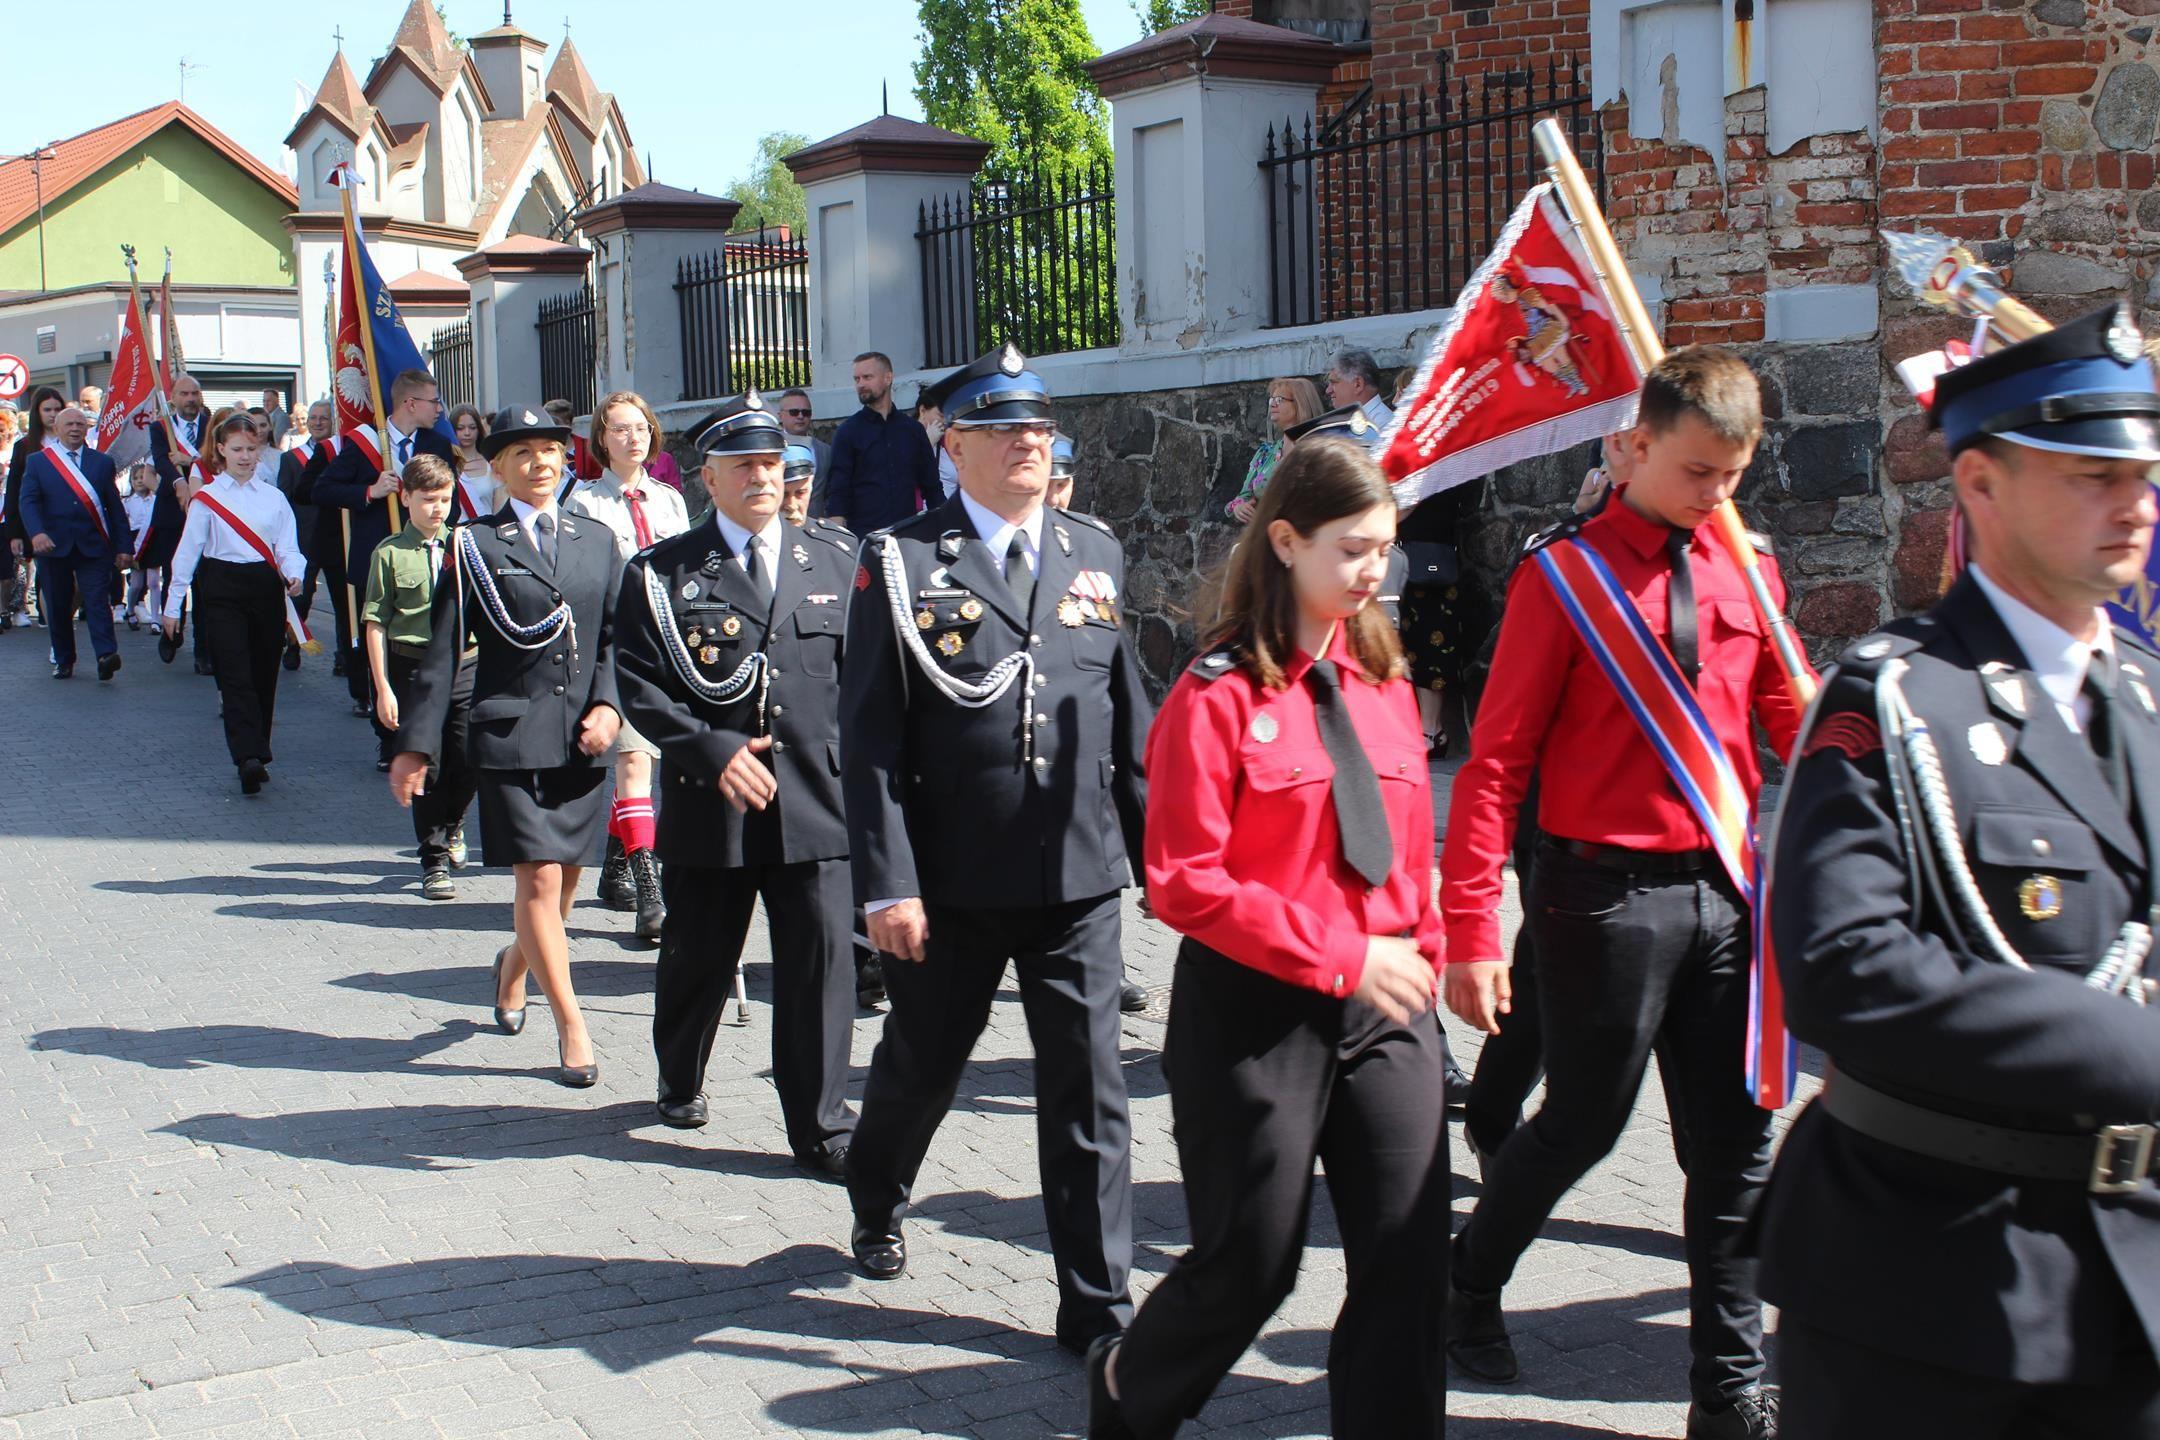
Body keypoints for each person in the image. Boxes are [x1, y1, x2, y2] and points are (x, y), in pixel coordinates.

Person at [1762, 301, 2160, 1440]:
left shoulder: (2142, 693)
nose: (2133, 501)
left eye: (2142, 470)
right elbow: (1848, 970)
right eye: (2090, 471)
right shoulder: (1899, 698)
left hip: (2129, 1274)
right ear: (1979, 487)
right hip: (1940, 1281)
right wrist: (2134, 1049)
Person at [1440, 347, 1805, 1440]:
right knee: (1586, 1123)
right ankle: (1466, 1284)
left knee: (1736, 1143)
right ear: (1637, 446)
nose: (1715, 497)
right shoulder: (1563, 578)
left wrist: (1852, 737)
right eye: (1696, 473)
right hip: (1601, 893)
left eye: (1732, 477)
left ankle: (1728, 1392)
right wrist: (1470, 926)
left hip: (1730, 891)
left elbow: (1788, 726)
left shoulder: (1754, 570)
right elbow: (1494, 760)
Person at [1089, 437, 1449, 1439]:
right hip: (1256, 1017)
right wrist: (1340, 954)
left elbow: (1410, 839)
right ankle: (1127, 1390)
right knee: (1251, 1263)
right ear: (1285, 541)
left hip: (1385, 1011)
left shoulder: (1382, 680)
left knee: (1409, 1259)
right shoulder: (1215, 694)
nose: (1374, 570)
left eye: (1385, 548)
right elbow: (1185, 885)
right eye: (1352, 548)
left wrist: (1435, 949)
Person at [840, 344, 1151, 1360]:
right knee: (923, 1068)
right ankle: (878, 1191)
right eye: (1004, 425)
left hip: (1077, 878)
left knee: (1089, 1092)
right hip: (950, 884)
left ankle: (1098, 1310)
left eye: (1040, 425)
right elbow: (874, 742)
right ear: (952, 440)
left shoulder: (1095, 551)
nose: (1030, 439)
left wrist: (1168, 868)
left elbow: (1127, 723)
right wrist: (887, 883)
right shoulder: (898, 562)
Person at [614, 391, 861, 1173]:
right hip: (712, 798)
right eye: (742, 465)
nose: (763, 477)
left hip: (816, 799)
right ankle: (679, 1071)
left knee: (821, 967)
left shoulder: (837, 559)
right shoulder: (663, 573)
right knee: (698, 956)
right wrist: (710, 748)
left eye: (771, 463)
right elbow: (640, 683)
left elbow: (866, 682)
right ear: (707, 480)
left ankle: (820, 1124)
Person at [388, 405, 622, 1089]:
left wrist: (609, 705)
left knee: (567, 886)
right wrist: (416, 747)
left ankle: (513, 966)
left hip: (584, 736)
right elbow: (439, 654)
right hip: (509, 733)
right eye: (522, 455)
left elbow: (613, 636)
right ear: (496, 467)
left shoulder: (597, 540)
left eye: (550, 451)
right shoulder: (474, 546)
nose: (540, 464)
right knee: (539, 880)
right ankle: (572, 1025)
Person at [566, 390, 691, 939]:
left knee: (644, 767)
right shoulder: (586, 503)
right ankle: (650, 889)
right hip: (619, 648)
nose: (632, 437)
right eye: (619, 429)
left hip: (670, 648)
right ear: (601, 440)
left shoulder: (668, 501)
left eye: (640, 427)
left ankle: (615, 865)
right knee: (635, 766)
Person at [162, 413, 306, 791]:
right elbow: (187, 553)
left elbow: (288, 546)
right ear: (221, 450)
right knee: (234, 671)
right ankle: (247, 757)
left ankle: (259, 747)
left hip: (264, 587)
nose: (245, 456)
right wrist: (172, 606)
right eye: (237, 449)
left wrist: (295, 575)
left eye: (251, 449)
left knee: (263, 673)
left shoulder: (274, 498)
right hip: (221, 586)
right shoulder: (207, 499)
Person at [363, 454, 478, 901]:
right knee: (425, 761)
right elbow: (375, 621)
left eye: (445, 499)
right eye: (428, 499)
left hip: (466, 662)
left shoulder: (464, 547)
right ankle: (432, 858)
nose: (437, 509)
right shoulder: (389, 553)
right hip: (413, 664)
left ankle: (454, 824)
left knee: (469, 754)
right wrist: (383, 687)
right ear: (406, 497)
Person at [318, 369, 454, 729]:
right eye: (433, 401)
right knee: (379, 641)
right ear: (410, 403)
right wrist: (369, 491)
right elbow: (323, 489)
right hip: (377, 555)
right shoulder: (364, 443)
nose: (439, 409)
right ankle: (386, 728)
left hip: (425, 558)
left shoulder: (437, 445)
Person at [19, 406, 132, 681]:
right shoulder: (38, 461)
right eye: (68, 424)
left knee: (96, 601)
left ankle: (106, 655)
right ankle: (64, 658)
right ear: (57, 428)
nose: (75, 429)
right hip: (53, 546)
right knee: (58, 606)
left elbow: (114, 507)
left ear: (87, 429)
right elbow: (28, 501)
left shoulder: (101, 463)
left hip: (93, 544)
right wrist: (36, 533)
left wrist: (124, 546)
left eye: (80, 424)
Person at [823, 351, 940, 532]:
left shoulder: (913, 430)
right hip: (865, 540)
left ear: (888, 378)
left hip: (908, 538)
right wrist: (838, 544)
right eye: (857, 379)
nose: (860, 384)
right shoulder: (847, 432)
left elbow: (932, 488)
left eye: (867, 377)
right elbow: (838, 492)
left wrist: (945, 529)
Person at [4, 386, 66, 631]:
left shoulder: (72, 440)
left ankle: (60, 615)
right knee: (47, 572)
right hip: (36, 521)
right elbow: (15, 491)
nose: (53, 414)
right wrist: (15, 532)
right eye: (47, 409)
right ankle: (53, 624)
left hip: (69, 520)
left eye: (57, 409)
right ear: (37, 413)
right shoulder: (25, 446)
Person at [1228, 378, 1323, 524]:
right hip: (1264, 536)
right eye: (1271, 399)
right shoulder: (1265, 453)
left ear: (1300, 403)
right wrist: (1239, 507)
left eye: (1279, 399)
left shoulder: (1318, 451)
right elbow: (1244, 495)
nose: (1272, 404)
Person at [121, 463, 163, 627]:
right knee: (137, 583)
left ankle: (155, 618)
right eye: (135, 478)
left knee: (153, 582)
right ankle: (130, 610)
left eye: (142, 477)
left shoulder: (156, 501)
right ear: (130, 481)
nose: (139, 481)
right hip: (136, 541)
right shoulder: (127, 502)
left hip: (152, 540)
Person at [1326, 349, 1393, 450]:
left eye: (1334, 382)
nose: (1328, 390)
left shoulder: (1383, 426)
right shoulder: (1368, 421)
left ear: (1358, 384)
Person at [777, 387, 831, 512]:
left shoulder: (825, 451)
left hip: (814, 526)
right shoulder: (770, 450)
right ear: (780, 416)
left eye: (806, 412)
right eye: (794, 412)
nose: (800, 416)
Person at [447, 403, 497, 521]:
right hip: (456, 533)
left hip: (487, 531)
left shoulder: (492, 463)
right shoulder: (445, 465)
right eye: (460, 428)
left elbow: (499, 508)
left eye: (472, 427)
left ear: (479, 429)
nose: (467, 433)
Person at [544, 399, 604, 483]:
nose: (551, 427)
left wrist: (586, 484)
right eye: (548, 422)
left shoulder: (589, 447)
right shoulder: (542, 450)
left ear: (568, 423)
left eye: (556, 422)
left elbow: (601, 478)